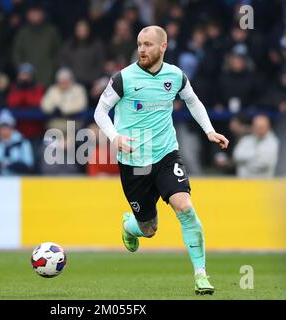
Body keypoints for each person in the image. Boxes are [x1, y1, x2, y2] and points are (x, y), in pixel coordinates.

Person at [94, 26, 229, 295]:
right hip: (135, 161)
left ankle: (201, 275)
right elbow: (100, 110)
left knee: (185, 208)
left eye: (147, 44)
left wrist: (209, 130)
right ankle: (130, 227)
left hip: (166, 154)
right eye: (139, 44)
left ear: (163, 47)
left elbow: (193, 101)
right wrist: (115, 136)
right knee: (149, 228)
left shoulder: (175, 75)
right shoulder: (124, 78)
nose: (142, 49)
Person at [0, 109, 34, 175]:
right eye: (1, 128)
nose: (3, 131)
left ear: (12, 128)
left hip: (17, 179)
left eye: (6, 128)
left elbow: (28, 165)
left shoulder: (23, 142)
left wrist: (9, 165)